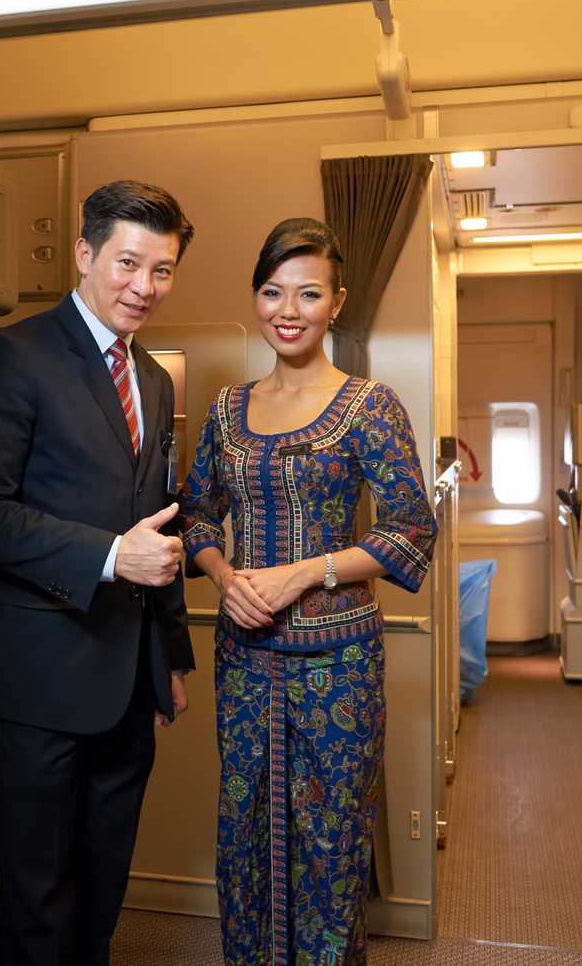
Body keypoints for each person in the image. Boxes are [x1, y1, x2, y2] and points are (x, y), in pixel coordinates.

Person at [0, 179, 196, 966]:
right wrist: (107, 554)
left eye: (161, 271)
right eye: (128, 263)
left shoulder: (152, 377)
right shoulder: (13, 356)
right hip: (39, 675)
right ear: (85, 255)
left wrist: (174, 657)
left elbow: (157, 516)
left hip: (129, 674)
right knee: (38, 895)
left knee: (102, 883)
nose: (143, 287)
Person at [179, 218, 436, 966]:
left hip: (339, 665)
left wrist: (304, 572)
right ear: (257, 298)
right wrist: (224, 577)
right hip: (245, 662)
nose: (288, 310)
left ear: (336, 303)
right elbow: (196, 514)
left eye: (308, 293)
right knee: (245, 835)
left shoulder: (370, 405)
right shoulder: (227, 410)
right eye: (272, 292)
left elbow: (410, 530)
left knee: (331, 846)